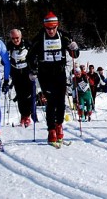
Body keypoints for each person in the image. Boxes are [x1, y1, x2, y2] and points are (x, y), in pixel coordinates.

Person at [27, 12, 80, 145]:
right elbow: (30, 56)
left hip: (60, 73)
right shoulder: (39, 38)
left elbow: (75, 55)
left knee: (61, 101)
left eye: (53, 28)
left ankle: (59, 125)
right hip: (45, 74)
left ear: (57, 26)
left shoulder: (64, 37)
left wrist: (75, 48)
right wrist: (33, 70)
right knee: (50, 101)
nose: (51, 31)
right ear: (44, 27)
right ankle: (51, 130)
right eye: (48, 28)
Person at [6, 28, 33, 127]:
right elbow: (4, 58)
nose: (15, 40)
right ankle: (23, 116)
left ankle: (28, 116)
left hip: (27, 73)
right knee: (20, 95)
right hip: (16, 73)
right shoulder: (9, 46)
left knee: (28, 95)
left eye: (17, 38)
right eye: (13, 38)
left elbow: (34, 55)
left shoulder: (27, 44)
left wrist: (34, 68)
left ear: (20, 37)